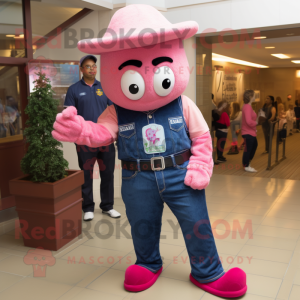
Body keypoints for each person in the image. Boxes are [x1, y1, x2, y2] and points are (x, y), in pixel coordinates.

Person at [52, 4, 247, 297]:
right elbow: (100, 133)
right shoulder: (115, 111)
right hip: (136, 179)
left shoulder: (183, 104)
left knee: (197, 224)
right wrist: (79, 130)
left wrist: (201, 166)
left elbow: (202, 137)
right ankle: (148, 263)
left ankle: (208, 272)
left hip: (181, 176)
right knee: (142, 225)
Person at [64, 55, 120, 221]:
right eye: (88, 66)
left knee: (107, 173)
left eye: (94, 66)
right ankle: (88, 207)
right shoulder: (73, 89)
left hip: (105, 139)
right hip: (84, 140)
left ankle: (107, 206)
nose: (92, 69)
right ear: (81, 69)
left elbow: (113, 111)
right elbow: (69, 116)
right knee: (86, 174)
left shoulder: (105, 87)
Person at [241, 90, 258, 172]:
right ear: (250, 97)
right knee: (248, 149)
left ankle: (247, 163)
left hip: (250, 131)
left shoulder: (248, 106)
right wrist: (256, 123)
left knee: (254, 146)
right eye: (254, 95)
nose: (255, 97)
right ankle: (246, 165)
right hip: (247, 132)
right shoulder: (247, 106)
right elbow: (248, 121)